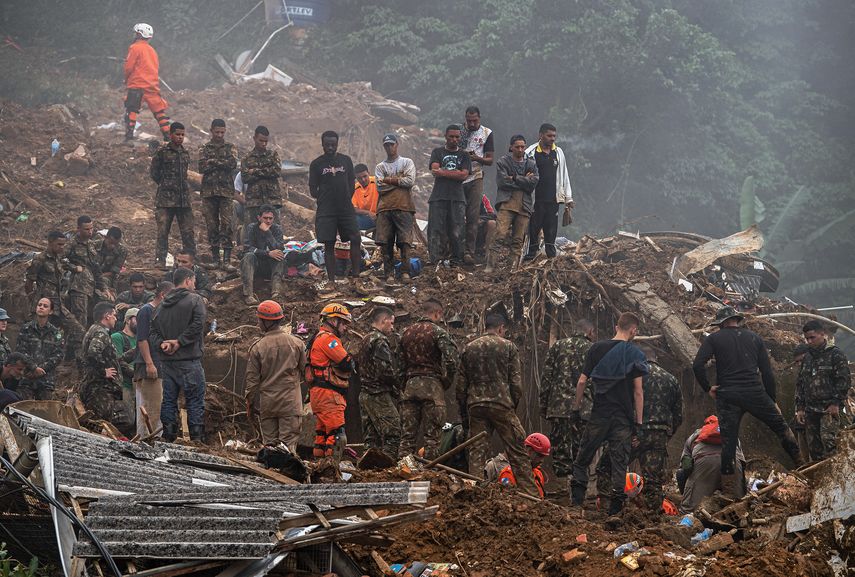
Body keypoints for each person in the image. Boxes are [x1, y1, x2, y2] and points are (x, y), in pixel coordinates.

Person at [693, 306, 803, 494]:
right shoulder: (754, 338)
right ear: (736, 320)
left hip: (728, 395)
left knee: (729, 442)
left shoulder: (714, 339)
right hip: (755, 392)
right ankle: (802, 466)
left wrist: (708, 387)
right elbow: (767, 373)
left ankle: (729, 491)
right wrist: (771, 399)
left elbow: (697, 364)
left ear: (722, 323)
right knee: (781, 428)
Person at [570, 312, 648, 516]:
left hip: (599, 415)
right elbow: (638, 391)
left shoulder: (596, 348)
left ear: (616, 327)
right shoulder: (635, 354)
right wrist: (638, 423)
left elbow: (581, 381)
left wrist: (576, 408)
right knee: (619, 465)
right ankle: (615, 514)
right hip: (622, 419)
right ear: (633, 330)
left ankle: (577, 506)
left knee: (583, 459)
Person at [457, 313, 539, 497]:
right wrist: (512, 406)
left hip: (476, 406)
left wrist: (465, 412)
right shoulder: (508, 347)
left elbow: (461, 387)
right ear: (501, 328)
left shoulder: (469, 348)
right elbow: (516, 384)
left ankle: (474, 492)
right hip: (502, 404)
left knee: (477, 451)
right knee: (517, 449)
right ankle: (531, 496)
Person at [599, 345, 682, 512]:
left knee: (607, 467)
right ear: (655, 359)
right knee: (653, 480)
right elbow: (678, 415)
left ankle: (609, 510)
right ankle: (652, 519)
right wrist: (665, 435)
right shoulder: (672, 380)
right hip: (657, 435)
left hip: (631, 433)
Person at [150, 268, 207, 442]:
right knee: (195, 399)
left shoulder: (161, 306)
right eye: (194, 281)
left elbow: (151, 331)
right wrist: (180, 342)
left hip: (167, 363)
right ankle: (196, 439)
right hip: (189, 360)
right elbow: (199, 325)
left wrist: (162, 343)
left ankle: (168, 436)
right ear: (188, 280)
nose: (195, 285)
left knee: (168, 400)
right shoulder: (195, 300)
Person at [400, 299, 458, 459]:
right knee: (432, 438)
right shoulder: (437, 331)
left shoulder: (406, 333)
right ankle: (431, 476)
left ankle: (402, 470)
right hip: (432, 388)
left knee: (407, 437)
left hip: (410, 388)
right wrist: (447, 380)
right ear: (437, 313)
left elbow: (398, 365)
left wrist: (404, 384)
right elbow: (452, 359)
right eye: (441, 315)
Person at [245, 301, 307, 452]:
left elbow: (252, 381)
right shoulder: (297, 343)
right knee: (288, 450)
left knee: (270, 449)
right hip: (290, 404)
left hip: (269, 404)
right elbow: (306, 372)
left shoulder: (258, 347)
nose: (258, 323)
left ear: (266, 322)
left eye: (260, 320)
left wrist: (250, 404)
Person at [539, 319, 596, 478]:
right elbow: (597, 382)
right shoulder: (593, 349)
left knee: (561, 453)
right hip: (584, 409)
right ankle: (578, 492)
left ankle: (564, 492)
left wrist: (543, 406)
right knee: (582, 452)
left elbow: (546, 378)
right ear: (590, 332)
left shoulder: (558, 346)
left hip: (558, 409)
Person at [309, 131, 361, 283]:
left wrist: (343, 197)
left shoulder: (346, 161)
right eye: (327, 145)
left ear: (337, 144)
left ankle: (356, 277)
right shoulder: (316, 164)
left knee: (355, 238)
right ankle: (331, 281)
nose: (330, 148)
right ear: (323, 145)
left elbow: (351, 184)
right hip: (326, 210)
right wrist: (326, 198)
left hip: (345, 208)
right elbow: (313, 189)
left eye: (333, 145)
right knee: (329, 243)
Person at [795, 320, 851, 460]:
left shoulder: (835, 355)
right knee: (814, 447)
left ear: (823, 334)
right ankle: (819, 478)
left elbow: (844, 381)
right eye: (807, 338)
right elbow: (801, 384)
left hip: (828, 409)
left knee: (830, 443)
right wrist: (800, 408)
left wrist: (835, 403)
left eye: (812, 337)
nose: (809, 341)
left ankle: (837, 476)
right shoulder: (807, 358)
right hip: (810, 410)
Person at [24, 230, 84, 358]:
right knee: (37, 338)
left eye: (63, 244)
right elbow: (29, 281)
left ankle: (70, 360)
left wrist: (77, 268)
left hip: (58, 304)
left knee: (78, 330)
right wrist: (32, 300)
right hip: (44, 305)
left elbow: (67, 266)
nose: (62, 247)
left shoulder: (59, 258)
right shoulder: (40, 259)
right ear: (50, 243)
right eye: (59, 244)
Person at [306, 304, 354, 460]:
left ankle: (320, 468)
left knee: (322, 436)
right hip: (328, 395)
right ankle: (333, 473)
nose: (346, 328)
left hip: (317, 394)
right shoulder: (329, 339)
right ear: (333, 321)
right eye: (344, 323)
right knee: (337, 436)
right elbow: (347, 362)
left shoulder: (315, 338)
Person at [486, 135, 539, 272]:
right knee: (500, 234)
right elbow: (503, 182)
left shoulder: (531, 164)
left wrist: (514, 178)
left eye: (523, 146)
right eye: (517, 147)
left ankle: (512, 269)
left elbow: (533, 183)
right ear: (511, 147)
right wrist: (523, 180)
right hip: (507, 203)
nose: (520, 149)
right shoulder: (503, 162)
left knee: (518, 240)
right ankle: (490, 266)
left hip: (525, 205)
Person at [356, 306, 402, 461]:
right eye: (392, 323)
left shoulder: (364, 340)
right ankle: (388, 467)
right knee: (394, 432)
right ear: (384, 320)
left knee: (371, 438)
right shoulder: (380, 340)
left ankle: (369, 471)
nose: (392, 327)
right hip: (378, 394)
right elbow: (385, 371)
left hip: (364, 394)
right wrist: (397, 387)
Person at [524, 123, 573, 260]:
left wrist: (568, 198)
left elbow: (565, 175)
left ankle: (551, 260)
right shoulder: (530, 152)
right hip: (535, 200)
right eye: (549, 135)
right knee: (533, 230)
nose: (552, 139)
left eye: (554, 136)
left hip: (553, 199)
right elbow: (523, 175)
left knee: (551, 231)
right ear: (541, 135)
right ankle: (529, 258)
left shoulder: (558, 152)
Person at [678, 416, 746, 513]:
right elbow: (742, 464)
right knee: (739, 507)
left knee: (691, 511)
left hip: (704, 464)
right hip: (733, 462)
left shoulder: (696, 434)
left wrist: (687, 489)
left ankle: (689, 511)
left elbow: (686, 465)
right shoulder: (732, 433)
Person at [151, 122, 195, 269]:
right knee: (163, 231)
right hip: (166, 200)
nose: (180, 137)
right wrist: (166, 185)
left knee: (188, 232)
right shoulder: (162, 151)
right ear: (171, 135)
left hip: (183, 200)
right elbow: (154, 173)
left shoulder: (185, 153)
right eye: (177, 134)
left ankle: (190, 261)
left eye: (183, 135)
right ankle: (160, 260)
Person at [66, 215, 111, 358]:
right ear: (78, 229)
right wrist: (74, 268)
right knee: (80, 319)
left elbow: (96, 268)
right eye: (86, 229)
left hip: (91, 286)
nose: (90, 231)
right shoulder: (71, 244)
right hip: (78, 286)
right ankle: (77, 354)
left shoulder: (91, 245)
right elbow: (60, 260)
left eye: (91, 228)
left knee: (103, 311)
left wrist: (104, 288)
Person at [81, 302, 130, 433]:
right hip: (100, 389)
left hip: (96, 387)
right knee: (99, 424)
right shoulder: (101, 332)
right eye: (114, 315)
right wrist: (104, 371)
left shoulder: (94, 330)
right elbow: (93, 352)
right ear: (107, 316)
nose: (116, 318)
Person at [375, 133, 417, 283]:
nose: (389, 147)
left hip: (404, 206)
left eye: (391, 144)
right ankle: (389, 274)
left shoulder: (407, 162)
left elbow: (410, 181)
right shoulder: (380, 167)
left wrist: (389, 180)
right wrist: (399, 182)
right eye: (386, 145)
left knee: (405, 241)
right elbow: (380, 187)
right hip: (384, 208)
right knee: (385, 242)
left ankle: (405, 272)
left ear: (397, 145)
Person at [133, 281, 172, 438]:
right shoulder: (146, 311)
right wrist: (149, 363)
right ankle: (146, 439)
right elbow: (142, 339)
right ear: (163, 295)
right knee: (151, 407)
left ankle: (152, 438)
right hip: (148, 365)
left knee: (157, 405)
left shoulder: (161, 312)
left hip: (159, 365)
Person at [199, 118, 239, 271]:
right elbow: (202, 167)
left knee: (227, 224)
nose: (220, 135)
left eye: (222, 132)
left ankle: (227, 260)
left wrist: (213, 162)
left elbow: (232, 164)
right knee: (212, 225)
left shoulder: (231, 147)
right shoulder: (204, 147)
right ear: (211, 131)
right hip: (209, 192)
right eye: (217, 132)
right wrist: (221, 162)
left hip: (226, 192)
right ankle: (216, 259)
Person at [427, 125, 471, 265]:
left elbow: (464, 175)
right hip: (438, 197)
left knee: (457, 231)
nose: (454, 139)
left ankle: (456, 261)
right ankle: (435, 261)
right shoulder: (437, 152)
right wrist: (455, 173)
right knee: (435, 230)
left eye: (457, 137)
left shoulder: (464, 155)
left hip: (457, 198)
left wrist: (443, 172)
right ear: (445, 136)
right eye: (451, 136)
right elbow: (435, 170)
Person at [124, 23, 170, 141]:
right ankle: (168, 137)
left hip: (137, 84)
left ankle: (129, 137)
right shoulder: (152, 51)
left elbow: (129, 67)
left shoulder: (134, 48)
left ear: (139, 34)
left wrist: (126, 79)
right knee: (160, 112)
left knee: (132, 110)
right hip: (152, 86)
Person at [460, 106, 494, 265]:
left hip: (476, 176)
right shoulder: (459, 131)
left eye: (475, 120)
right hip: (458, 177)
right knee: (457, 214)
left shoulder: (487, 133)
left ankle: (469, 252)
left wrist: (476, 158)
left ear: (479, 118)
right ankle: (455, 250)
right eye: (469, 120)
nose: (472, 123)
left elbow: (490, 159)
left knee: (473, 215)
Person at [14, 298, 64, 401]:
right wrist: (33, 367)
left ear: (51, 311)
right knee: (22, 411)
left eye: (45, 306)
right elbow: (21, 351)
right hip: (27, 378)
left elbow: (58, 354)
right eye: (39, 305)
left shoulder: (56, 333)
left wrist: (43, 369)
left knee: (46, 413)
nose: (41, 307)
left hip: (46, 381)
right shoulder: (26, 329)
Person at [240, 205, 286, 305]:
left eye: (270, 218)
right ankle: (248, 295)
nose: (268, 221)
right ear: (259, 217)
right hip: (255, 266)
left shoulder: (276, 229)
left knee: (280, 256)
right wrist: (267, 253)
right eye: (265, 218)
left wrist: (268, 233)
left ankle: (276, 293)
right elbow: (247, 248)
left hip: (270, 267)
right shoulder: (252, 228)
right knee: (248, 256)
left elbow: (279, 248)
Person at [240, 126, 282, 227]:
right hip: (254, 201)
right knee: (252, 232)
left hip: (271, 200)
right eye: (261, 140)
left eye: (266, 141)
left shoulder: (273, 155)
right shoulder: (247, 158)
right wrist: (267, 173)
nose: (263, 144)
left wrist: (254, 171)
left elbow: (276, 172)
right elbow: (245, 178)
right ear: (254, 138)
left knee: (274, 232)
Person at [495, 433, 551, 499]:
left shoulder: (538, 473)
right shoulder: (508, 474)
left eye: (544, 457)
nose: (542, 460)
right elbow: (507, 502)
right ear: (529, 451)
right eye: (540, 456)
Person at [112, 307, 139, 431]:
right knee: (128, 420)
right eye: (137, 319)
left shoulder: (141, 339)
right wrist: (136, 373)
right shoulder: (117, 337)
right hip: (125, 385)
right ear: (128, 320)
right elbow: (117, 362)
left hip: (140, 386)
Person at [95, 227, 128, 292]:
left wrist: (99, 276)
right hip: (91, 273)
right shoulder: (95, 245)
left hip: (107, 276)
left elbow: (113, 272)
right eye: (110, 242)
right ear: (106, 237)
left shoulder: (122, 250)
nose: (113, 246)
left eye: (116, 244)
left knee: (102, 283)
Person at [352, 163, 378, 231]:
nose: (363, 180)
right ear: (356, 177)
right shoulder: (355, 188)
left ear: (368, 173)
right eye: (359, 178)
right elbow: (355, 209)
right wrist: (368, 213)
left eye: (365, 176)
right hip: (365, 218)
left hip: (379, 217)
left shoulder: (377, 182)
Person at [474, 195, 497, 262]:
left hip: (481, 224)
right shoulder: (460, 196)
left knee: (492, 223)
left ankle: (488, 255)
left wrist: (480, 219)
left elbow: (492, 215)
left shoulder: (482, 197)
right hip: (465, 227)